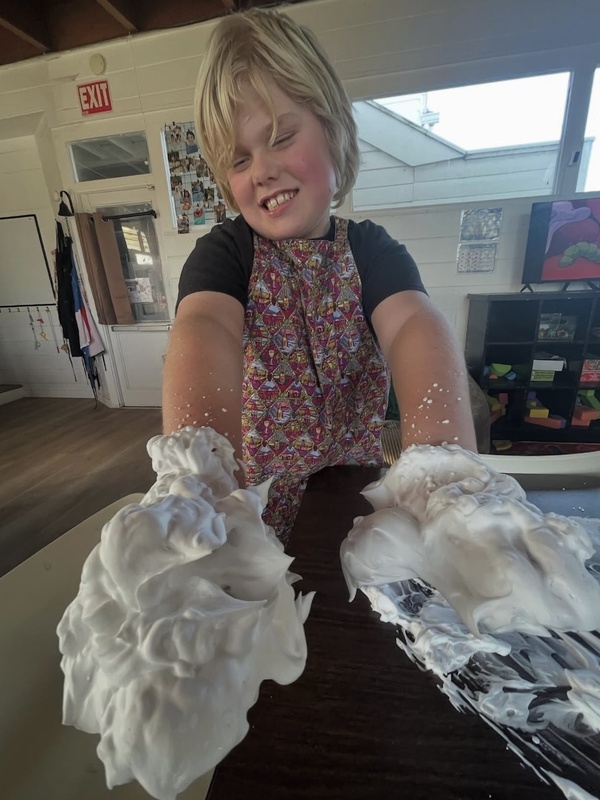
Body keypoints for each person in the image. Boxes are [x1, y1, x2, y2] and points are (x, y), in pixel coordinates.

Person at [162, 7, 477, 544]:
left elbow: (412, 327)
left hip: (349, 489)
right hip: (248, 504)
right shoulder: (224, 257)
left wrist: (447, 477)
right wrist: (203, 484)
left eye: (282, 136)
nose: (261, 170)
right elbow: (204, 330)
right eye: (239, 160)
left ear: (333, 133)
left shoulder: (373, 251)